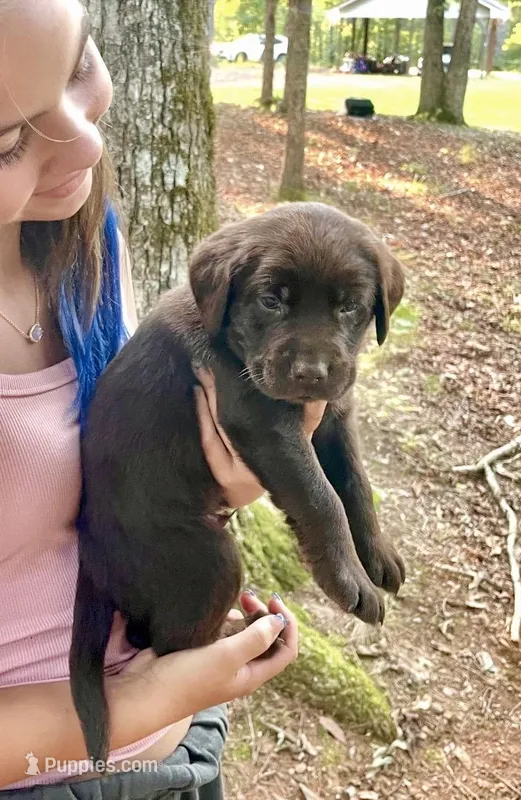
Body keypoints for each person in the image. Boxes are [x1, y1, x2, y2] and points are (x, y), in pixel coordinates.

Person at [0, 0, 326, 796]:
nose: (84, 137)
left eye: (78, 63)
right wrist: (154, 694)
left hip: (172, 741)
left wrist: (207, 497)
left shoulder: (74, 233)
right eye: (7, 140)